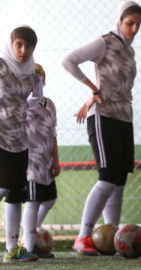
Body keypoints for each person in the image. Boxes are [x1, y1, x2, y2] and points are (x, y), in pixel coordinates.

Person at [61, 1, 141, 255]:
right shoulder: (105, 42)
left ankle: (112, 237)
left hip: (124, 118)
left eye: (138, 25)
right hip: (103, 116)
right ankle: (83, 236)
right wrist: (93, 90)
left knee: (119, 181)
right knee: (107, 177)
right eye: (129, 23)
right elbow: (69, 61)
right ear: (119, 21)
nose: (133, 29)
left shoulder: (129, 52)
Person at [0, 26, 42, 262]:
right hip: (0, 137)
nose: (23, 50)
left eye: (28, 46)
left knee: (16, 195)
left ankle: (12, 250)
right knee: (2, 188)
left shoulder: (33, 74)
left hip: (19, 140)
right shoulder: (1, 65)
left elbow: (36, 98)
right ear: (11, 43)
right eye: (19, 44)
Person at [22, 64, 60, 259]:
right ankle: (28, 247)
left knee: (50, 198)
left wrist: (56, 160)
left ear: (43, 81)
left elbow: (53, 135)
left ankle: (30, 233)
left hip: (46, 161)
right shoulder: (24, 105)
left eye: (38, 79)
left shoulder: (50, 105)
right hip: (31, 161)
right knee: (33, 200)